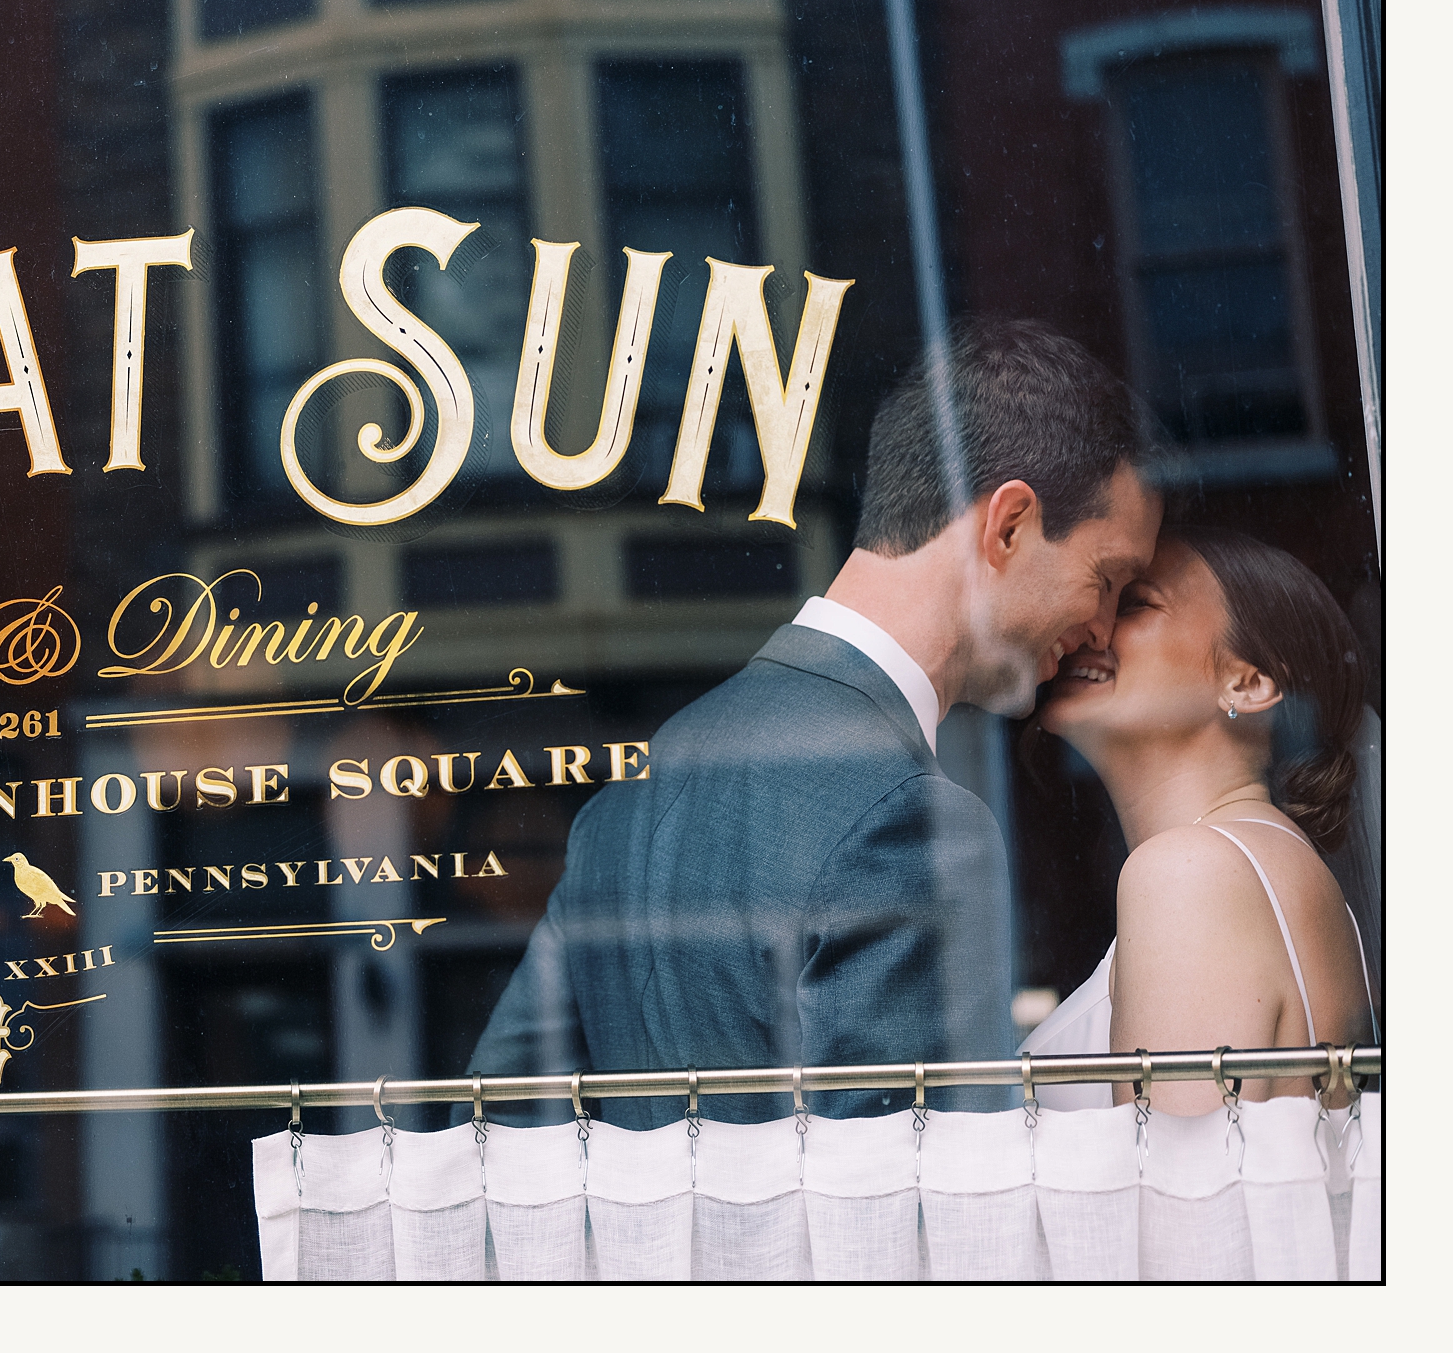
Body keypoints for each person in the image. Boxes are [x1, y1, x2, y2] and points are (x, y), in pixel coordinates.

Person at [467, 319, 1162, 1125]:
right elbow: (926, 1219)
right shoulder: (913, 818)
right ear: (1008, 525)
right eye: (1108, 579)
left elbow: (498, 1117)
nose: (1106, 630)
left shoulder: (628, 799)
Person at [1020, 529, 1378, 1112]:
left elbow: (1177, 1198)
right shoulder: (1259, 866)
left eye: (1133, 602)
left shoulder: (1192, 874)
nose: (1092, 623)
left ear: (1248, 682)